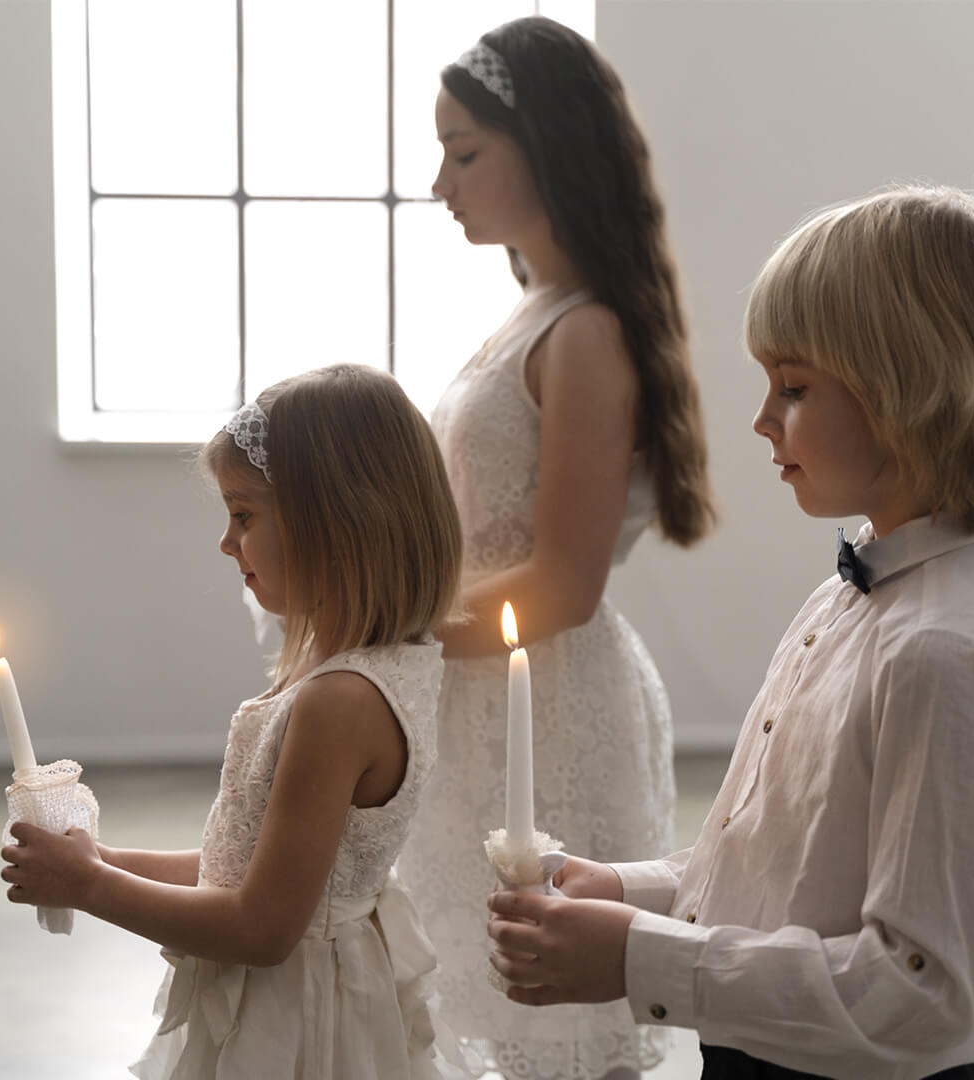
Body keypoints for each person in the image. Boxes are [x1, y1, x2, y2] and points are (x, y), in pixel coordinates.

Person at [486, 184, 974, 1080]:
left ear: (912, 389)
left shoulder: (938, 650)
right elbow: (787, 870)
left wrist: (638, 959)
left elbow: (925, 994)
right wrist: (625, 892)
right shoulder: (847, 599)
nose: (762, 418)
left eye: (793, 387)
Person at [395, 15, 716, 1080]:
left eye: (464, 150)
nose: (440, 180)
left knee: (556, 1023)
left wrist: (388, 626)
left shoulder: (585, 332)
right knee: (483, 999)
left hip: (543, 701)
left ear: (547, 145)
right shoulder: (532, 312)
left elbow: (562, 586)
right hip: (476, 697)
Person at [0, 364, 467, 1079]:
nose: (226, 542)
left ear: (335, 523)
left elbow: (263, 925)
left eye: (243, 515)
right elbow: (246, 866)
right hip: (316, 991)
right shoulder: (377, 671)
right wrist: (97, 861)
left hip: (297, 1025)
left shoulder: (337, 703)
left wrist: (90, 888)